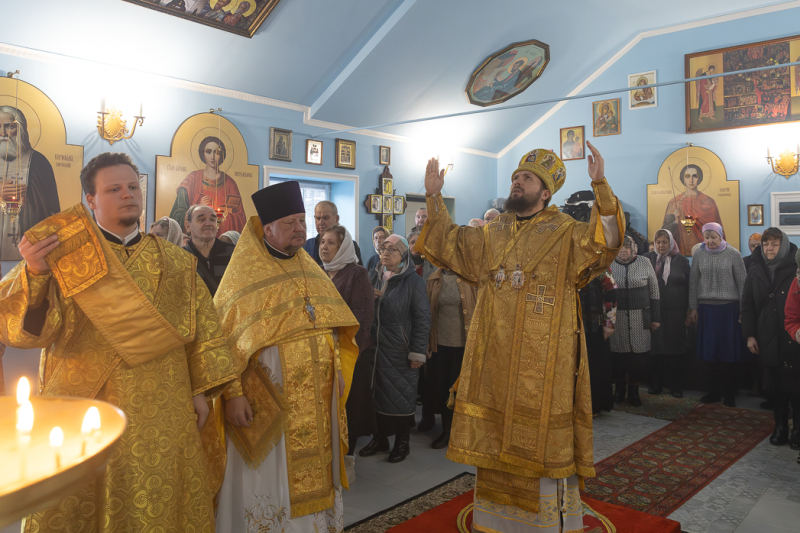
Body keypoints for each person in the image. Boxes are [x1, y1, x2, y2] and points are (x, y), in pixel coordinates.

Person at [1, 152, 240, 532]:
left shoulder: (177, 263)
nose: (128, 194)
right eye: (114, 189)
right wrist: (35, 273)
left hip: (162, 408)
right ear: (90, 199)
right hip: (83, 402)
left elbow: (203, 331)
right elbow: (30, 333)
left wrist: (201, 388)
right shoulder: (62, 257)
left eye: (133, 187)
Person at [417, 142, 623, 532]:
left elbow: (605, 243)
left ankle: (543, 524)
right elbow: (449, 243)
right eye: (515, 177)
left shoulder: (566, 232)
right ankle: (498, 523)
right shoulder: (493, 231)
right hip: (494, 355)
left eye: (526, 178)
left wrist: (601, 187)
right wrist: (433, 194)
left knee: (540, 436)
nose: (517, 182)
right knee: (495, 438)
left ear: (545, 192)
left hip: (544, 361)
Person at [214, 180, 360, 532]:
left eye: (301, 221)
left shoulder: (309, 267)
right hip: (266, 404)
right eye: (290, 222)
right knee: (269, 475)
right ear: (267, 229)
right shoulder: (241, 278)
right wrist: (232, 396)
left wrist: (336, 367)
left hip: (314, 398)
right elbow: (222, 344)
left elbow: (333, 328)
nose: (301, 228)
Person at [360, 235, 430, 463]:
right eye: (383, 248)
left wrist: (418, 352)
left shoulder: (412, 281)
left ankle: (402, 442)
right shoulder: (373, 275)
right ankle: (380, 439)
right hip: (375, 346)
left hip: (400, 348)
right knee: (376, 395)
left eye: (392, 250)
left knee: (401, 396)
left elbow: (422, 318)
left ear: (403, 255)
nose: (386, 253)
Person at [319, 224, 375, 483]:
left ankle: (348, 460)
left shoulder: (357, 273)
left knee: (349, 406)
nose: (324, 247)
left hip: (351, 352)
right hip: (322, 352)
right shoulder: (319, 273)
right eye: (322, 242)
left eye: (331, 243)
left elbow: (362, 318)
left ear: (343, 246)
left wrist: (346, 348)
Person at [742, 228, 800, 448]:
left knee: (795, 386)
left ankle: (798, 431)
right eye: (766, 244)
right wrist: (749, 335)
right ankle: (780, 427)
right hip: (766, 336)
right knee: (775, 387)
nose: (769, 248)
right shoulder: (755, 268)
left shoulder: (795, 266)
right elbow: (747, 304)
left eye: (774, 244)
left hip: (792, 336)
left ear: (783, 245)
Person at [688, 223, 747, 407]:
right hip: (706, 309)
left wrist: (743, 312)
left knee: (728, 352)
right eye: (706, 237)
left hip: (729, 309)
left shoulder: (733, 254)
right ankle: (712, 391)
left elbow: (743, 285)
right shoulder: (698, 253)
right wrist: (693, 307)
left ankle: (729, 393)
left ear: (721, 236)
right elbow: (693, 282)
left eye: (713, 237)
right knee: (710, 352)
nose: (710, 241)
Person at [424, 266, 476, 448]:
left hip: (462, 344)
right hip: (439, 343)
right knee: (441, 387)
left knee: (459, 389)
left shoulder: (470, 278)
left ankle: (454, 431)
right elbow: (427, 313)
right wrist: (427, 342)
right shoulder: (434, 278)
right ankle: (445, 429)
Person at [0, 106, 61, 261]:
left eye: (10, 127)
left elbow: (50, 210)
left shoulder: (39, 162)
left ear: (20, 129)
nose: (2, 133)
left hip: (30, 251)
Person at [610, 236, 661, 407]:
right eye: (620, 247)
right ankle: (619, 391)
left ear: (633, 249)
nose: (623, 251)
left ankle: (634, 393)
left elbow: (654, 292)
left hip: (641, 317)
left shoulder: (645, 262)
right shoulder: (609, 264)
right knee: (619, 357)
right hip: (617, 320)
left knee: (638, 360)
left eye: (627, 247)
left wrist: (656, 318)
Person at [169, 135, 246, 236]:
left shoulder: (230, 183)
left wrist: (222, 217)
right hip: (195, 243)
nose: (213, 157)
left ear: (222, 155)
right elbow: (176, 216)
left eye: (217, 152)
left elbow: (241, 219)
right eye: (208, 152)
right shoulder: (191, 180)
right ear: (203, 154)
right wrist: (197, 208)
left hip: (223, 244)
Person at [644, 229, 690, 397]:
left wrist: (691, 309)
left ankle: (675, 385)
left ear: (671, 242)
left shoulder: (682, 261)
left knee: (675, 350)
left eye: (664, 242)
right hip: (654, 312)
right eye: (658, 242)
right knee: (655, 349)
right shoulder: (647, 259)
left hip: (676, 312)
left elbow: (689, 286)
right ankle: (656, 383)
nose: (661, 245)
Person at [579, 267, 617, 415]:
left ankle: (595, 406)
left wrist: (610, 323)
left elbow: (612, 292)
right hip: (572, 324)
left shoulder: (600, 264)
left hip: (595, 325)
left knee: (595, 365)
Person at [662, 164, 723, 256]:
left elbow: (717, 231)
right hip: (680, 251)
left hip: (707, 252)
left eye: (694, 176)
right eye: (687, 176)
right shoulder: (674, 202)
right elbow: (664, 232)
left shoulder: (709, 202)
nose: (691, 180)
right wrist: (675, 221)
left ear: (699, 178)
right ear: (683, 179)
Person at [183, 204, 236, 297]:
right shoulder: (179, 256)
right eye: (202, 219)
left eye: (212, 220)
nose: (209, 224)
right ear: (188, 226)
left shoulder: (234, 253)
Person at [302, 200, 362, 266]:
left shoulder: (348, 245)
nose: (320, 223)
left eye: (325, 218)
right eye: (318, 218)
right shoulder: (306, 245)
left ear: (336, 219)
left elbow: (357, 272)